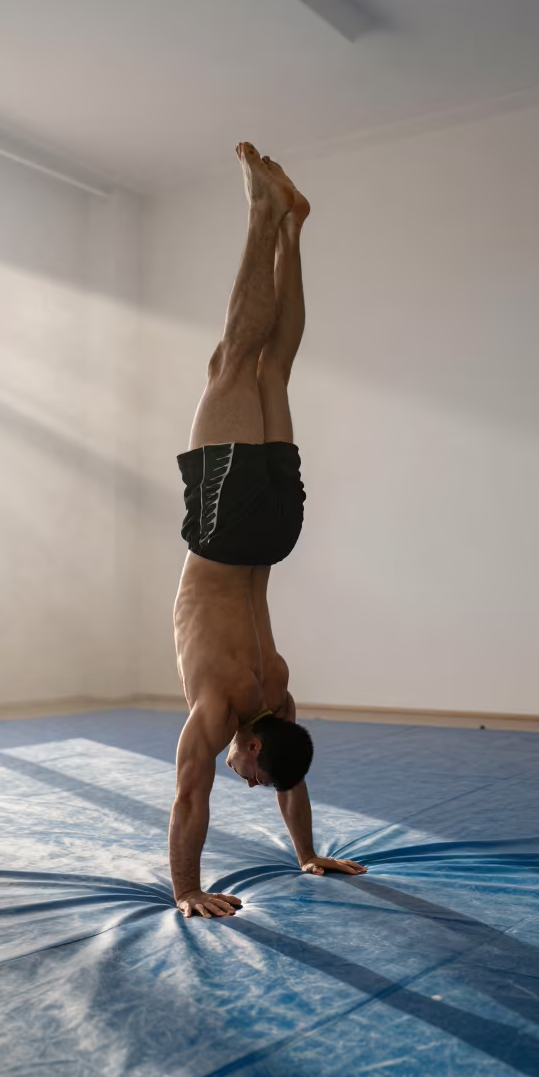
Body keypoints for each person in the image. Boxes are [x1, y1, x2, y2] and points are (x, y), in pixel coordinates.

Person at [171, 142, 367, 919]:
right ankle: (261, 216)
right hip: (224, 536)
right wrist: (187, 889)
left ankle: (293, 229)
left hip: (279, 532)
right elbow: (190, 796)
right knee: (232, 363)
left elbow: (293, 776)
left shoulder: (280, 697)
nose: (244, 778)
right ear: (248, 745)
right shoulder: (225, 707)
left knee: (274, 371)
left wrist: (307, 854)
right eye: (250, 772)